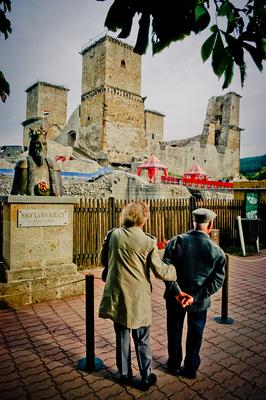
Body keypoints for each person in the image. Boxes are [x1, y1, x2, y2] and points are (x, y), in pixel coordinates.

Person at [99, 201, 177, 391]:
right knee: (142, 337)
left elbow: (103, 260)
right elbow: (160, 271)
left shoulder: (113, 234)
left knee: (122, 336)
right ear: (144, 219)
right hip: (138, 297)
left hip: (117, 294)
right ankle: (146, 375)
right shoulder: (148, 241)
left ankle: (124, 374)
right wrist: (174, 270)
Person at [163, 208, 226, 379]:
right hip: (199, 302)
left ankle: (174, 364)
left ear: (193, 222)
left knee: (174, 331)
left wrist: (177, 292)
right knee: (195, 334)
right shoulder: (217, 251)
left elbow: (166, 270)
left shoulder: (177, 241)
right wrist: (196, 296)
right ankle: (190, 368)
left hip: (175, 299)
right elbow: (217, 281)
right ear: (211, 225)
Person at [11, 126, 62, 196]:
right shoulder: (23, 164)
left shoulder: (54, 166)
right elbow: (18, 195)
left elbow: (59, 195)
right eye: (37, 143)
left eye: (44, 144)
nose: (41, 147)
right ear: (32, 146)